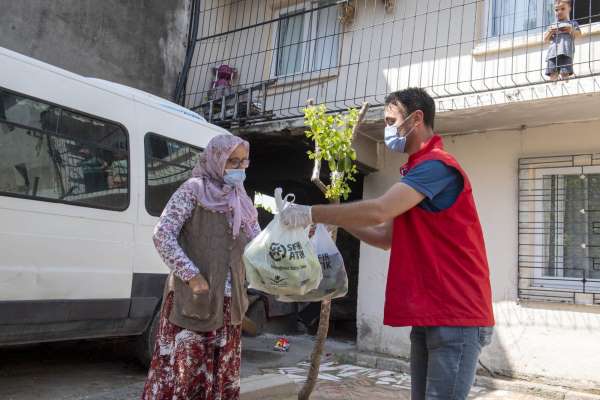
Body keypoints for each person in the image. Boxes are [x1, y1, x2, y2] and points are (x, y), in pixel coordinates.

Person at [280, 88, 495, 400]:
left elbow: (379, 209)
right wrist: (337, 221)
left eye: (390, 120)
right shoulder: (416, 171)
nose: (387, 129)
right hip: (432, 311)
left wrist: (310, 213)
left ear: (416, 118)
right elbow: (385, 237)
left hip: (456, 314)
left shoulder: (437, 166)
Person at [141, 134, 260, 400]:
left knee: (220, 377)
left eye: (243, 162)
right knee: (186, 377)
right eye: (232, 161)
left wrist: (290, 235)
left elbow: (257, 244)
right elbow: (162, 234)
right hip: (195, 301)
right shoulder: (193, 190)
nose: (238, 169)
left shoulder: (242, 200)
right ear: (216, 159)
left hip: (230, 307)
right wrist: (191, 276)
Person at [544, 0, 582, 81]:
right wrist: (550, 32)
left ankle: (565, 83)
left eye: (562, 9)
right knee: (552, 73)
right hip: (553, 53)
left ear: (569, 9)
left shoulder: (572, 23)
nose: (559, 12)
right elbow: (545, 39)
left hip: (566, 52)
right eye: (556, 10)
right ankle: (553, 85)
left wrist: (571, 29)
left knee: (565, 72)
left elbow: (579, 35)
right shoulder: (553, 25)